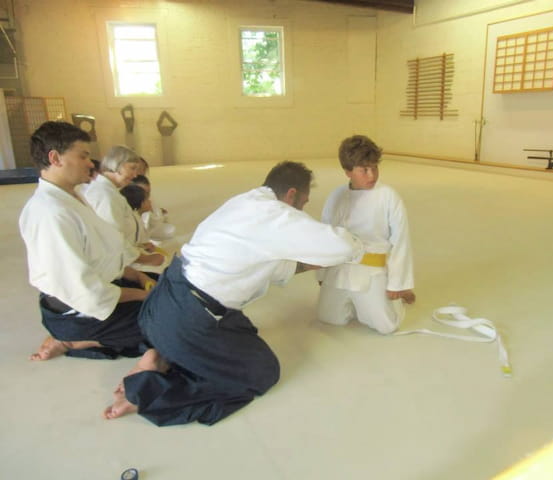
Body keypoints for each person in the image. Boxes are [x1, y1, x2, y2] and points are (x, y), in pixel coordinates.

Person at [103, 161, 365, 426]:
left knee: (241, 330)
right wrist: (362, 249)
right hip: (187, 319)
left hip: (161, 305)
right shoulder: (276, 214)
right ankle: (147, 392)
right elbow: (341, 245)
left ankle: (161, 355)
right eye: (304, 202)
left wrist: (312, 263)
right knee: (261, 373)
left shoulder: (244, 202)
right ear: (291, 194)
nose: (303, 209)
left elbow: (273, 266)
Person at [19, 121, 155, 361]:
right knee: (174, 322)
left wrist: (138, 276)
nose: (91, 164)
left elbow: (100, 253)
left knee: (174, 291)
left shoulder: (72, 198)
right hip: (78, 312)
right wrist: (141, 295)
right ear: (55, 158)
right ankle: (73, 339)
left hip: (107, 286)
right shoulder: (50, 213)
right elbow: (83, 290)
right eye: (83, 156)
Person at [316, 135, 415, 334]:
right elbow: (326, 237)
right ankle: (357, 302)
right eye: (364, 170)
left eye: (375, 167)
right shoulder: (336, 196)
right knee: (329, 318)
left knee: (386, 326)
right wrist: (322, 273)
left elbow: (401, 241)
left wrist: (398, 284)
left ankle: (395, 301)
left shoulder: (388, 197)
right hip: (341, 269)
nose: (372, 175)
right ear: (348, 172)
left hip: (373, 269)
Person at [84, 146, 163, 267]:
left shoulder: (110, 192)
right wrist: (144, 259)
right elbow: (112, 237)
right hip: (114, 264)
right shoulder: (105, 195)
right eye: (132, 168)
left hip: (124, 259)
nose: (135, 175)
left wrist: (138, 244)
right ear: (116, 165)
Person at [131, 174, 175, 241]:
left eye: (148, 193)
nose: (147, 196)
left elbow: (157, 220)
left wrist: (161, 213)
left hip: (149, 231)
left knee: (171, 229)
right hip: (136, 239)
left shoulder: (148, 202)